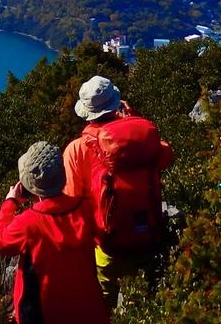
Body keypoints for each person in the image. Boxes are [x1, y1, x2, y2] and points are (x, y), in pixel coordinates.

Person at [63, 75, 174, 307]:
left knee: (105, 302)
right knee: (145, 303)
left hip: (107, 243)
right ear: (117, 103)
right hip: (148, 235)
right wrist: (132, 123)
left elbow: (72, 201)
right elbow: (166, 156)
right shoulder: (143, 142)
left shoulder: (76, 149)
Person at [0, 141, 109, 324]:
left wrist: (9, 203)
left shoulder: (28, 223)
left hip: (45, 314)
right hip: (90, 310)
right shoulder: (85, 209)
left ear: (29, 184)